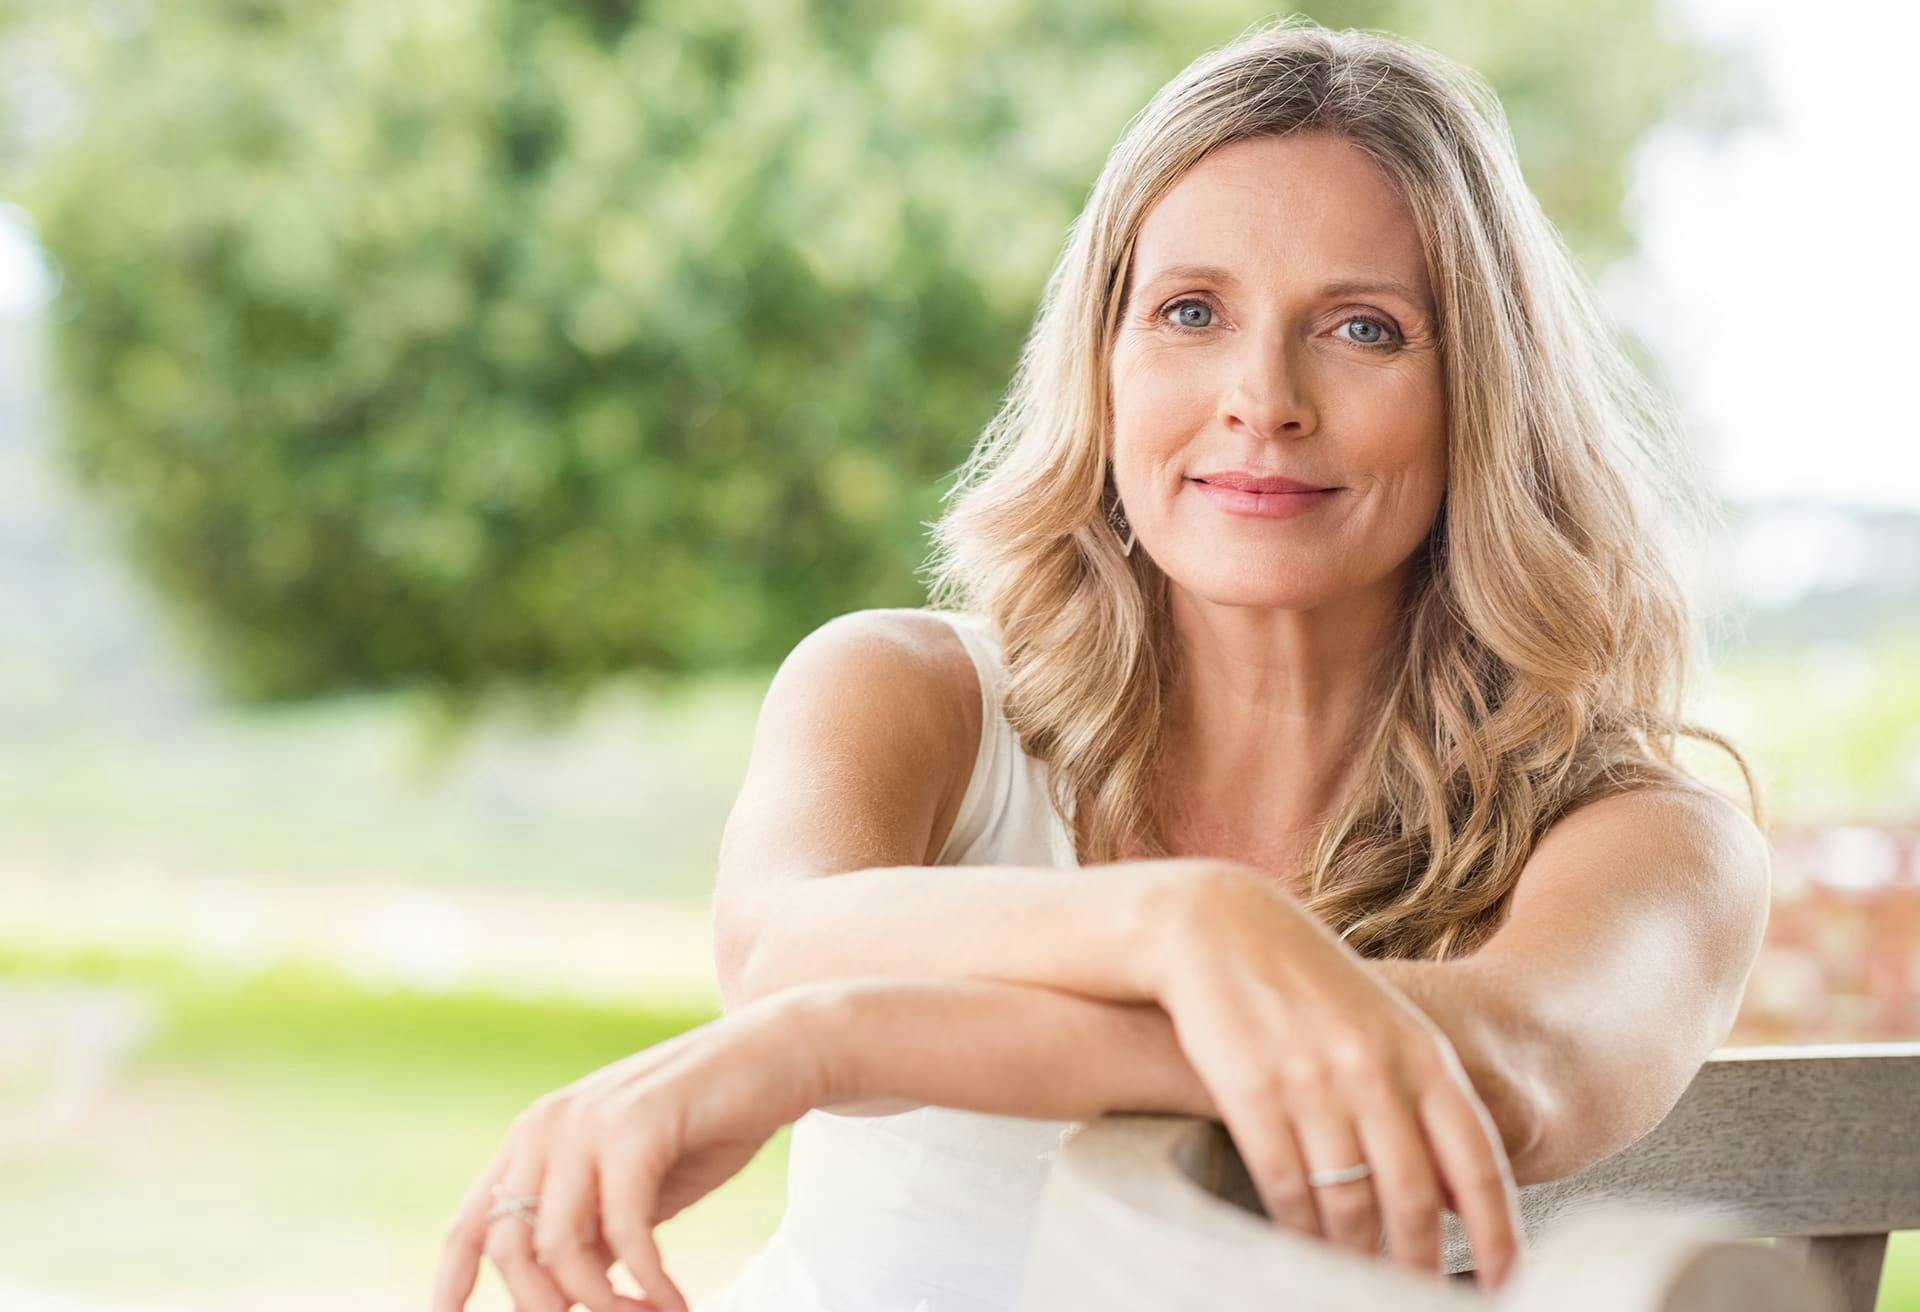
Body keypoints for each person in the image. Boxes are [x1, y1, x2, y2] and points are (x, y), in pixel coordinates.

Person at [431, 16, 1773, 1312]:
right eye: (1191, 311)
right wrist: (1182, 923)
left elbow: (1512, 1067)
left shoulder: (1653, 839)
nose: (1263, 397)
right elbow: (785, 946)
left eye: (1364, 328)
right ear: (1106, 363)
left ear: (1485, 394)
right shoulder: (909, 693)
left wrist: (837, 1042)